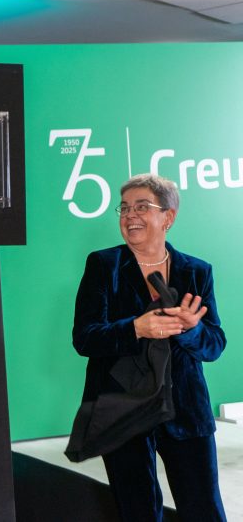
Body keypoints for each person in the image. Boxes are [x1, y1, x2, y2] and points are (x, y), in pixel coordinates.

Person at [71, 173, 226, 521]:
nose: (130, 216)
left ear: (168, 216)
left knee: (204, 509)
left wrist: (191, 329)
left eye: (142, 207)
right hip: (122, 410)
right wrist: (135, 328)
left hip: (186, 410)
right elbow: (84, 337)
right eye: (124, 208)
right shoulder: (103, 265)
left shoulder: (197, 271)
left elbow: (214, 345)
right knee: (137, 511)